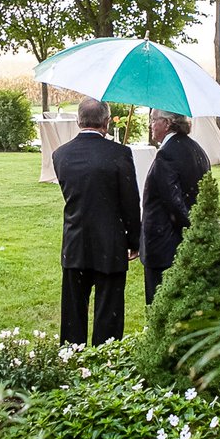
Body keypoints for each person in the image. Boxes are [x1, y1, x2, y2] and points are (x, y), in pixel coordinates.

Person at [52, 97, 141, 346]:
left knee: (73, 309)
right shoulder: (120, 154)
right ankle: (106, 357)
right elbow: (130, 202)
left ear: (79, 120)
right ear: (106, 122)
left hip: (75, 240)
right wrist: (135, 239)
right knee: (109, 309)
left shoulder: (61, 155)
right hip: (110, 242)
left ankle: (71, 355)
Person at [140, 110, 212, 303]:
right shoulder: (197, 148)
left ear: (167, 123)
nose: (150, 125)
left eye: (153, 120)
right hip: (185, 242)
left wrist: (189, 226)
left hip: (165, 243)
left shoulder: (167, 154)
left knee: (161, 303)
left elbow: (173, 201)